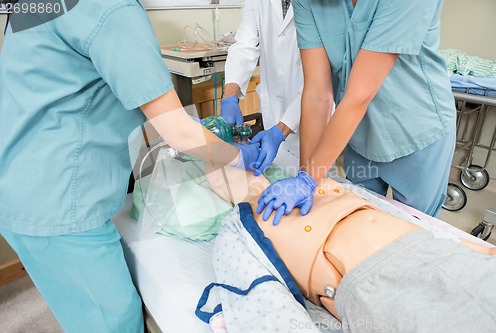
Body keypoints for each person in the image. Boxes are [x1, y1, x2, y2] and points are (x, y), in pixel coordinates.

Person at [0, 1, 259, 332]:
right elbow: (178, 131)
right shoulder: (112, 10)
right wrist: (237, 157)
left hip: (20, 180)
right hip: (58, 200)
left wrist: (210, 144)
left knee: (84, 311)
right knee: (114, 320)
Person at [205, 163, 496, 332]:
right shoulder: (239, 228)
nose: (245, 171)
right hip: (379, 285)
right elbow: (262, 298)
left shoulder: (320, 182)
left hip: (438, 252)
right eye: (218, 176)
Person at [257, 0, 458, 225]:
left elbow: (359, 94)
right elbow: (317, 94)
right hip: (359, 134)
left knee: (415, 230)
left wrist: (308, 180)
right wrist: (306, 178)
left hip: (417, 132)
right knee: (358, 221)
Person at [220, 0, 307, 175]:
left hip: (310, 117)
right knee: (273, 175)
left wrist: (281, 130)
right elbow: (245, 45)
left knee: (315, 186)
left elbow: (323, 79)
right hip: (273, 114)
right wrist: (229, 96)